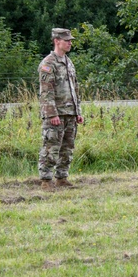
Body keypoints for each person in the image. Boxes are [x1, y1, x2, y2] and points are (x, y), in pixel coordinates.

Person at [38, 28, 83, 190]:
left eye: (70, 40)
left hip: (70, 112)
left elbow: (75, 89)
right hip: (56, 114)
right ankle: (46, 180)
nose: (70, 43)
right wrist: (51, 114)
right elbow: (46, 92)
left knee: (67, 148)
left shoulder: (68, 62)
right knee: (51, 146)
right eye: (67, 40)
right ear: (57, 41)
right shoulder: (48, 63)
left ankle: (62, 178)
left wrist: (78, 112)